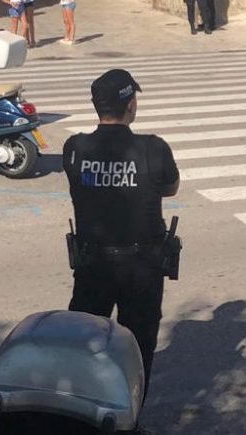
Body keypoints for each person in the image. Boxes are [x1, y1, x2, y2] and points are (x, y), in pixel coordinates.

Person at [63, 69, 180, 426]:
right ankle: (128, 420)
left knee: (84, 346)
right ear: (131, 105)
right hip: (140, 268)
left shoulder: (75, 148)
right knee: (137, 351)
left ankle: (84, 417)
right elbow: (170, 187)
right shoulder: (153, 149)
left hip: (92, 265)